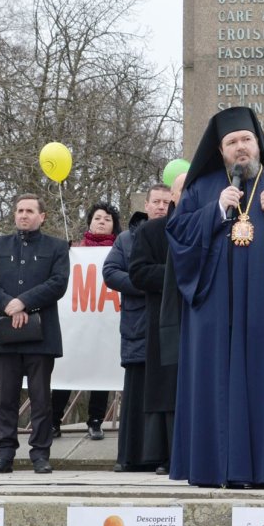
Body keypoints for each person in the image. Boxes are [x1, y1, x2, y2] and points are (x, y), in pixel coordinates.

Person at [167, 106, 264, 487]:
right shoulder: (201, 189)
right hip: (215, 311)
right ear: (221, 151)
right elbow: (177, 239)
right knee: (217, 382)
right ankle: (217, 468)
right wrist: (215, 211)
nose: (241, 148)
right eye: (232, 142)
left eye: (246, 140)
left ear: (258, 144)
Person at [0, 193, 70, 474]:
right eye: (19, 210)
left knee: (41, 399)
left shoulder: (56, 247)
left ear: (42, 216)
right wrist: (9, 305)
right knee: (6, 398)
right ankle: (4, 454)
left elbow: (58, 283)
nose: (23, 215)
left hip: (41, 335)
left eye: (30, 210)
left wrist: (24, 302)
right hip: (5, 335)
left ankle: (40, 454)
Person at [104, 184, 173, 471]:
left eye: (165, 202)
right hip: (137, 325)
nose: (160, 206)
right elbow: (111, 272)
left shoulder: (178, 233)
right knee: (135, 392)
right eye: (155, 201)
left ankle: (162, 455)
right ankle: (131, 457)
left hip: (167, 326)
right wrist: (146, 285)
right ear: (146, 204)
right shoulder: (126, 238)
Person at [129, 172, 187, 474]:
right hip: (165, 319)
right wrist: (179, 274)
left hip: (202, 321)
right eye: (182, 189)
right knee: (167, 388)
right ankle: (167, 454)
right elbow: (138, 273)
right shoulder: (151, 231)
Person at [51, 202, 121, 440]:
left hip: (106, 324)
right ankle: (53, 420)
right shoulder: (73, 251)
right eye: (98, 218)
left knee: (101, 371)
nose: (102, 221)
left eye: (107, 219)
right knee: (66, 370)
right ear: (90, 222)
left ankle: (95, 421)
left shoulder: (120, 251)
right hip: (76, 324)